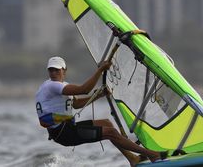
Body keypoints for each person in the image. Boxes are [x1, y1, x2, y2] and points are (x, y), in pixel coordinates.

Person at [35, 56, 167, 166]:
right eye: (51, 70)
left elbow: (76, 104)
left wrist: (98, 95)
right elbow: (84, 89)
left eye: (56, 70)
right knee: (110, 133)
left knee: (106, 123)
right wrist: (100, 70)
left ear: (64, 71)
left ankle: (132, 158)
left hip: (68, 128)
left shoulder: (60, 87)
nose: (53, 73)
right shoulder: (52, 86)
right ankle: (152, 154)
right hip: (64, 133)